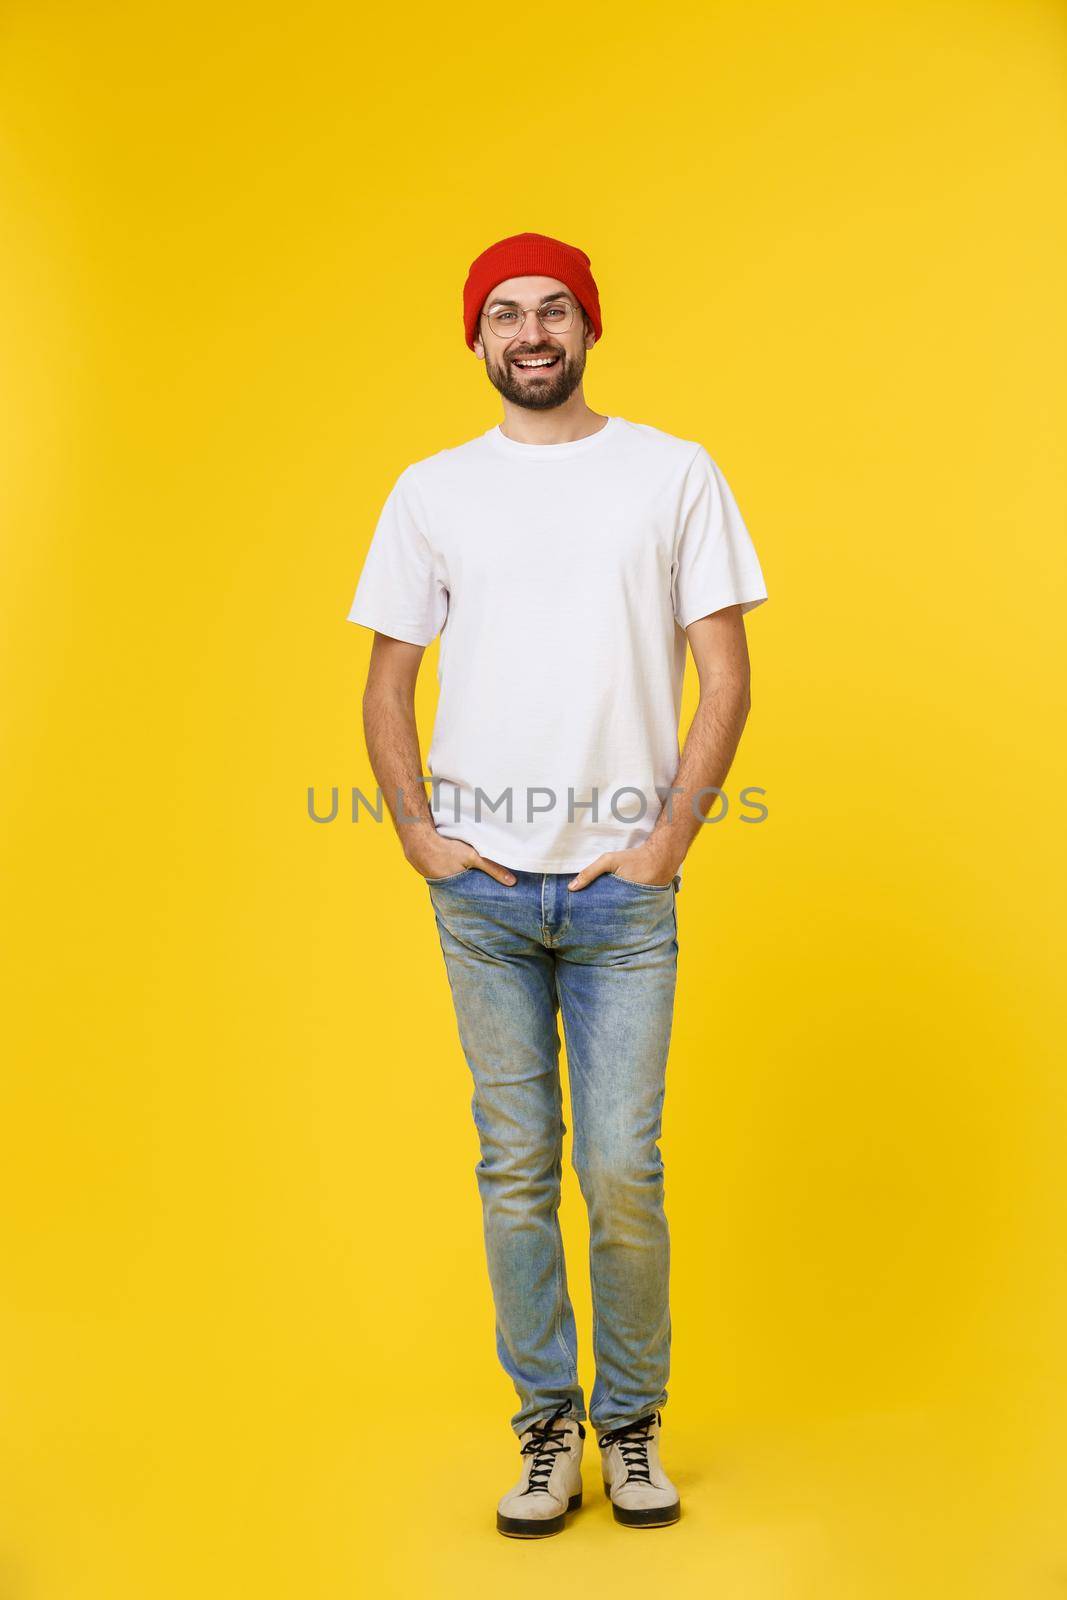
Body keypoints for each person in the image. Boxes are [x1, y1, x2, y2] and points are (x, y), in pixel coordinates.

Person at [346, 231, 769, 1536]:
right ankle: (546, 1429)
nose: (531, 335)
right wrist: (418, 831)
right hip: (480, 894)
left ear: (589, 325)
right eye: (506, 316)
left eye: (553, 312)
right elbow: (385, 682)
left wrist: (665, 844)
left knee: (623, 1169)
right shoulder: (430, 491)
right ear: (476, 338)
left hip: (621, 899)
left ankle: (630, 1426)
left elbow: (728, 672)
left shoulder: (672, 473)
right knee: (517, 1165)